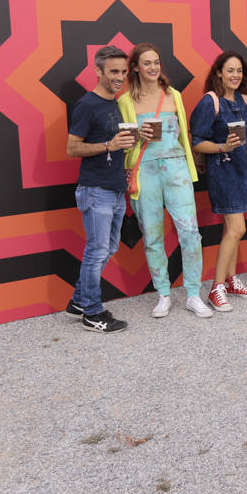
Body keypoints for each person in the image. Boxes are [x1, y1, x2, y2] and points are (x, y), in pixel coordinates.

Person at [119, 43, 209, 319]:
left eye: (156, 62)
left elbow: (184, 136)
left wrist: (194, 165)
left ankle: (193, 293)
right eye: (146, 63)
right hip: (145, 171)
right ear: (135, 67)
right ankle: (163, 294)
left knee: (190, 232)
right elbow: (123, 144)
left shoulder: (173, 95)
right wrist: (137, 138)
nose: (153, 67)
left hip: (176, 168)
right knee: (153, 236)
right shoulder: (125, 101)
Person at [64, 45, 135, 333]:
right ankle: (93, 313)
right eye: (114, 71)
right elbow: (71, 148)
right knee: (96, 251)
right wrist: (109, 145)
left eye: (123, 71)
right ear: (98, 71)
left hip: (116, 188)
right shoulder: (87, 105)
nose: (120, 77)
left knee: (109, 247)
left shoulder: (116, 104)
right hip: (95, 190)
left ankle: (79, 301)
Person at [190, 50, 247, 310]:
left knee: (232, 230)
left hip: (244, 172)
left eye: (239, 71)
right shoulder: (210, 102)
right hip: (224, 172)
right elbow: (196, 141)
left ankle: (230, 280)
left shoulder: (245, 100)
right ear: (219, 72)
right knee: (238, 229)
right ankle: (216, 288)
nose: (235, 75)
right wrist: (223, 147)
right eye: (230, 70)